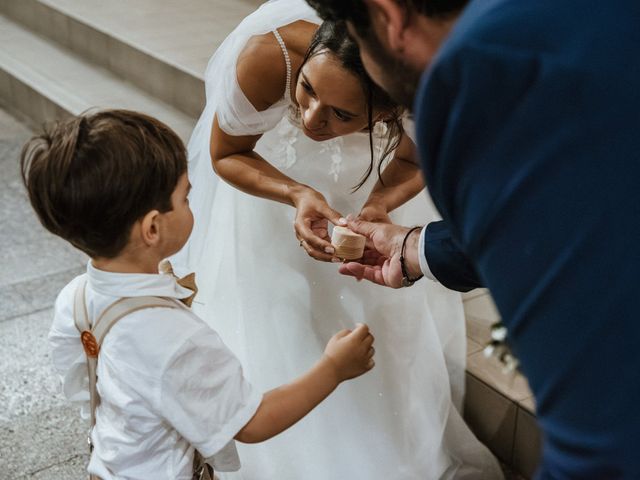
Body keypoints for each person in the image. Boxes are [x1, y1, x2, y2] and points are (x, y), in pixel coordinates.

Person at [307, 0, 640, 477]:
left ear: (390, 15)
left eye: (359, 41)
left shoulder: (486, 76)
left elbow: (604, 445)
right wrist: (413, 248)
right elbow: (554, 219)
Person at [174, 0, 503, 478]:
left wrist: (378, 205)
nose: (309, 120)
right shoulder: (270, 54)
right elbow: (226, 153)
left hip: (366, 193)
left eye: (342, 114)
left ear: (390, 106)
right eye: (306, 90)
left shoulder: (413, 89)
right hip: (266, 199)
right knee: (278, 321)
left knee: (377, 322)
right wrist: (295, 192)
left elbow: (412, 162)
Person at [20, 109, 376, 480]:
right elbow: (252, 422)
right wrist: (334, 368)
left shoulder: (74, 297)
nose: (192, 203)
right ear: (153, 228)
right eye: (185, 197)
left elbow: (82, 387)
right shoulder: (175, 338)